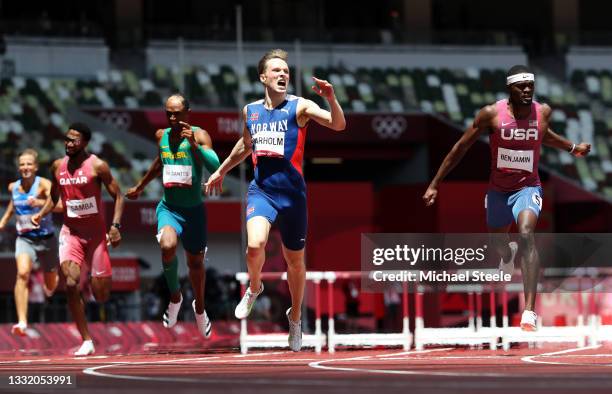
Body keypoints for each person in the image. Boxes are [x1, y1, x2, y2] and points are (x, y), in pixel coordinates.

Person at [422, 65, 591, 331]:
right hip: (499, 192)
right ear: (509, 89)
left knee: (526, 234)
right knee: (498, 244)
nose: (527, 90)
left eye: (530, 86)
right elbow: (460, 147)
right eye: (521, 86)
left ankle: (529, 311)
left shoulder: (543, 111)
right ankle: (506, 251)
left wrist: (572, 148)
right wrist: (435, 184)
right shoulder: (491, 114)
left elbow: (543, 134)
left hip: (528, 188)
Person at [205, 49, 346, 351]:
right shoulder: (250, 111)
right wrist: (220, 171)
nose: (283, 75)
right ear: (263, 77)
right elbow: (244, 146)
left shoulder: (301, 107)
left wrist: (331, 98)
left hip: (293, 197)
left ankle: (295, 318)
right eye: (277, 71)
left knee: (294, 262)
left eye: (286, 71)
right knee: (255, 244)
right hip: (263, 191)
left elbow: (338, 125)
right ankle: (255, 287)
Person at [126, 94, 220, 338]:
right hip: (169, 208)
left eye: (177, 113)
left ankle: (200, 309)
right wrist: (140, 186)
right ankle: (175, 297)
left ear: (188, 112)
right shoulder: (161, 136)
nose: (173, 118)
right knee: (167, 245)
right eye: (168, 113)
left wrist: (195, 146)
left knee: (196, 264)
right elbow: (160, 163)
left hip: (195, 213)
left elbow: (215, 165)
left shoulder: (199, 135)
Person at [32, 122, 124, 355]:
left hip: (96, 236)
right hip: (71, 233)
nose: (68, 143)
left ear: (85, 143)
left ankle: (99, 285)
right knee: (71, 283)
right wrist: (41, 214)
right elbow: (54, 199)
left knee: (100, 294)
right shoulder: (57, 166)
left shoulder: (98, 166)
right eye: (67, 139)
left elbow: (118, 196)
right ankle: (86, 340)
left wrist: (115, 226)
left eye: (74, 140)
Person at [0, 149, 61, 336]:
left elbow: (60, 205)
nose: (25, 167)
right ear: (19, 167)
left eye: (29, 164)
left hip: (47, 238)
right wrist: (3, 221)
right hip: (25, 238)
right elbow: (13, 204)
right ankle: (22, 322)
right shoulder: (13, 187)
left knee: (50, 285)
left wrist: (40, 203)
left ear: (35, 167)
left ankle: (50, 282)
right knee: (23, 273)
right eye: (22, 164)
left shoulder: (44, 184)